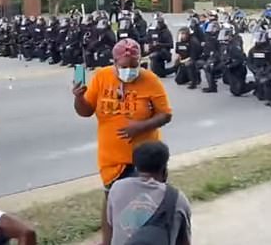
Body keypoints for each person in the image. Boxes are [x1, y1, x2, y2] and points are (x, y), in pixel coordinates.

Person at [72, 38, 173, 244]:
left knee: (146, 205)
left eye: (134, 66)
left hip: (145, 160)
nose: (130, 70)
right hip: (112, 159)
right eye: (124, 67)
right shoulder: (101, 77)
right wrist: (78, 98)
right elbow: (85, 111)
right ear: (114, 62)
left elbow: (165, 115)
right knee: (111, 201)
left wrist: (140, 127)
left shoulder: (150, 79)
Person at [106, 141, 191, 245]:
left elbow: (110, 226)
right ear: (164, 169)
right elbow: (184, 241)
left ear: (136, 167)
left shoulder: (117, 188)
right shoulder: (178, 199)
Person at [247, 30, 271, 108]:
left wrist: (266, 70)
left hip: (270, 71)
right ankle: (265, 89)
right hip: (258, 71)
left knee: (265, 81)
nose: (258, 40)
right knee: (260, 96)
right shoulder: (253, 50)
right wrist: (255, 70)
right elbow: (249, 63)